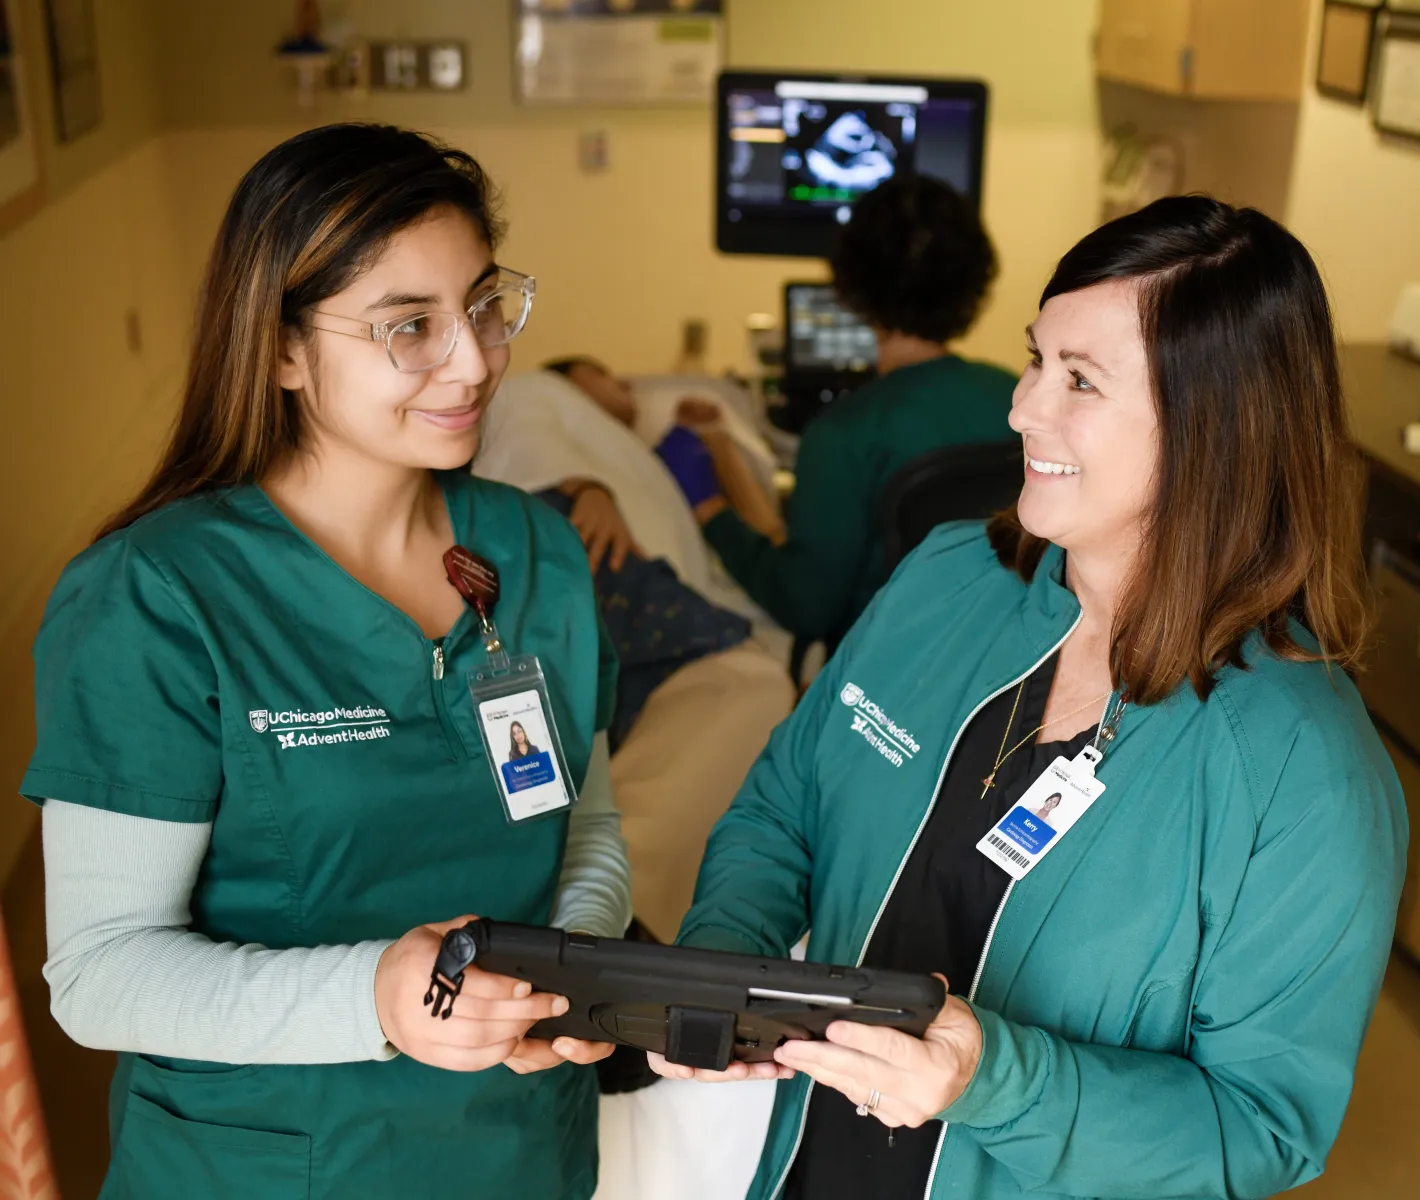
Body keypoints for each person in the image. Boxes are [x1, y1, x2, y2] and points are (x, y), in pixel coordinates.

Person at [654, 196, 1407, 1200]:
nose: (1021, 409)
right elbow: (782, 809)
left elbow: (1261, 1128)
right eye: (1034, 360)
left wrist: (992, 1080)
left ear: (1216, 426)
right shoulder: (946, 579)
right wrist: (716, 969)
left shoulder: (1303, 772)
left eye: (1080, 381)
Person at [27, 124, 631, 1198]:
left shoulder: (538, 553)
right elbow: (99, 972)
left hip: (518, 1149)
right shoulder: (159, 597)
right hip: (270, 1162)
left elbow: (583, 831)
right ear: (281, 350)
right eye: (409, 326)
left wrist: (574, 977)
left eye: (482, 305)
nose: (474, 358)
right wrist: (379, 997)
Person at [696, 173, 1018, 652]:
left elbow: (806, 607)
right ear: (975, 280)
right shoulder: (1020, 397)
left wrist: (711, 511)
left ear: (851, 287)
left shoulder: (842, 435)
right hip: (998, 663)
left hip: (881, 680)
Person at [547, 356, 786, 543]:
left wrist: (711, 437)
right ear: (562, 390)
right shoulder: (569, 469)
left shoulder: (669, 450)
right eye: (600, 375)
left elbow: (767, 534)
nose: (625, 384)